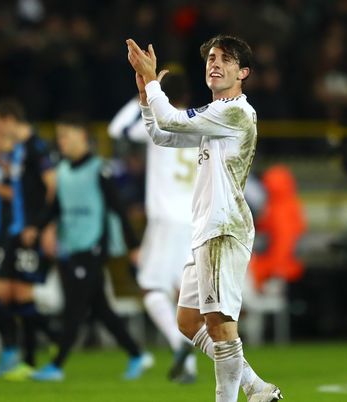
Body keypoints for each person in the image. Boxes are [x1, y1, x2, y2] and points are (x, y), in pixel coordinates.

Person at [127, 34, 283, 402]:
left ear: (243, 72)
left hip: (224, 228)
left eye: (226, 59)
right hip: (205, 230)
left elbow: (170, 118)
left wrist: (152, 81)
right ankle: (256, 388)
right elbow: (162, 135)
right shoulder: (215, 117)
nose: (215, 63)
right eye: (212, 57)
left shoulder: (235, 112)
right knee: (188, 322)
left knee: (220, 324)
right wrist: (146, 99)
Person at [31, 115, 153, 382]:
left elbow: (119, 210)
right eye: (60, 136)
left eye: (66, 135)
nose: (61, 141)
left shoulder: (100, 169)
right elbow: (55, 208)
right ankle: (136, 354)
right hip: (70, 245)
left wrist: (133, 246)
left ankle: (56, 364)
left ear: (82, 137)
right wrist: (37, 229)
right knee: (99, 308)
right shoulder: (62, 171)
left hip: (93, 247)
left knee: (74, 306)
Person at [108, 67, 199, 384]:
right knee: (183, 297)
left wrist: (145, 93)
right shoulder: (199, 123)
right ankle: (187, 366)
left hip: (165, 219)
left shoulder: (159, 120)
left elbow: (116, 129)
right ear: (188, 95)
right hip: (193, 221)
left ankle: (180, 347)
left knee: (150, 289)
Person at [0, 99, 58, 379]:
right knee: (16, 297)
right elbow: (21, 188)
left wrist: (42, 226)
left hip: (28, 232)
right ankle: (30, 353)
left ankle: (32, 353)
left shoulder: (36, 147)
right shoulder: (18, 151)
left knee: (12, 294)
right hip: (16, 232)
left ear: (6, 120)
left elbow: (52, 185)